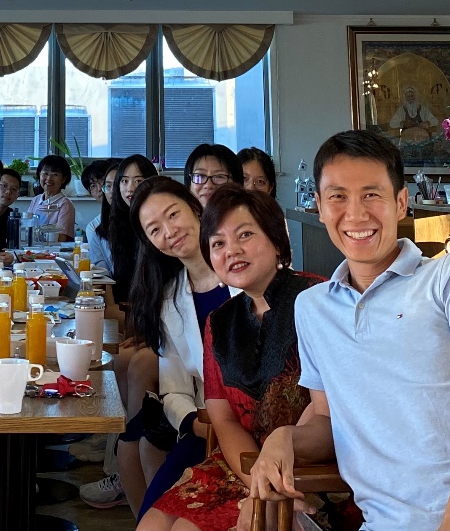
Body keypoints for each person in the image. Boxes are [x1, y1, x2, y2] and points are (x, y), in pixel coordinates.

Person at [242, 130, 450, 531]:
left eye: (371, 194)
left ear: (401, 202)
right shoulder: (312, 308)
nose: (355, 214)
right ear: (319, 206)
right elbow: (328, 419)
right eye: (338, 196)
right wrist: (283, 439)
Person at [140, 186, 357, 531]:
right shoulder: (219, 321)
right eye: (218, 244)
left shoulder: (320, 300)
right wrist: (255, 476)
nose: (232, 251)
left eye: (245, 235)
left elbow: (336, 413)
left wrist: (269, 480)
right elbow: (223, 420)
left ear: (276, 240)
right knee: (150, 526)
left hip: (313, 472)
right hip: (243, 466)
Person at [118, 177, 233, 520]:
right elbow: (173, 389)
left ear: (195, 207)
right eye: (154, 230)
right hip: (205, 429)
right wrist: (194, 423)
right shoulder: (170, 300)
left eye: (173, 214)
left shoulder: (242, 270)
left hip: (257, 428)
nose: (169, 232)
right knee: (152, 518)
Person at [80, 154, 159, 511]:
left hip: (153, 322)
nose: (128, 188)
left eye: (138, 181)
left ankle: (117, 462)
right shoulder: (116, 227)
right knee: (118, 356)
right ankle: (115, 456)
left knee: (123, 359)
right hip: (139, 317)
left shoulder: (151, 225)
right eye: (123, 182)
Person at [26, 154, 75, 242]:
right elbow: (27, 230)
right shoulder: (35, 200)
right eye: (45, 173)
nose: (49, 178)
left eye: (55, 174)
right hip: (34, 248)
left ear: (63, 179)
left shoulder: (65, 204)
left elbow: (61, 238)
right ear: (39, 175)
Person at [86, 158, 121, 271]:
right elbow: (100, 267)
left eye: (102, 182)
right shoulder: (94, 227)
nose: (100, 189)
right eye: (93, 186)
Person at [0, 167, 23, 251]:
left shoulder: (13, 218)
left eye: (14, 189)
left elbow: (14, 248)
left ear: (17, 196)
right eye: (4, 186)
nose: (8, 192)